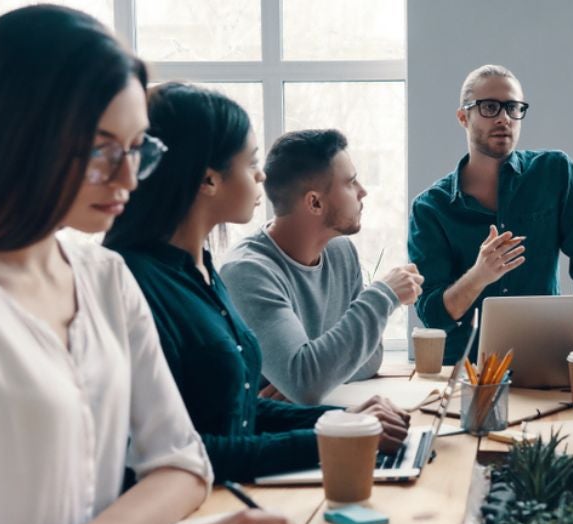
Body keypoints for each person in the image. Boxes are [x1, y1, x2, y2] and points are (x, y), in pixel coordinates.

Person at [0, 7, 288, 524]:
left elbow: (183, 461)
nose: (129, 177)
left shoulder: (107, 280)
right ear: (16, 131)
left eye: (138, 149)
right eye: (103, 150)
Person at [104, 85, 412, 481]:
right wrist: (333, 437)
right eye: (250, 163)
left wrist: (344, 420)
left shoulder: (200, 271)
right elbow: (184, 449)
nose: (262, 176)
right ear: (208, 180)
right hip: (198, 512)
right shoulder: (139, 282)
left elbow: (241, 409)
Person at [408, 64, 573, 364]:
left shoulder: (555, 172)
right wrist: (479, 276)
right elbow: (433, 316)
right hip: (467, 371)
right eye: (490, 107)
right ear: (463, 117)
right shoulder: (430, 208)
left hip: (544, 359)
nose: (504, 118)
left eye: (513, 107)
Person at [220, 129, 423, 405]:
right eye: (350, 183)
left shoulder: (341, 250)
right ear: (314, 202)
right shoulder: (248, 273)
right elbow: (307, 383)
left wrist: (314, 375)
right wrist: (384, 294)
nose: (362, 191)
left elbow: (370, 359)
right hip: (270, 438)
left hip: (316, 420)